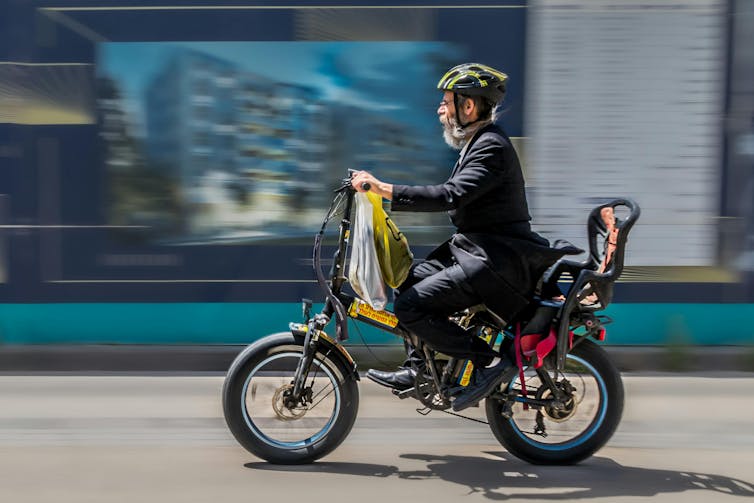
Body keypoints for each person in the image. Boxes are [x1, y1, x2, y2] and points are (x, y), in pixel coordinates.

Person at [350, 63, 574, 411]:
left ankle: (485, 364)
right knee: (406, 281)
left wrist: (383, 189)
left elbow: (449, 195)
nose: (441, 109)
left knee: (410, 306)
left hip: (495, 263)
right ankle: (420, 367)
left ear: (468, 106)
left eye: (446, 101)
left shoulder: (492, 148)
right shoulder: (477, 144)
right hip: (475, 252)